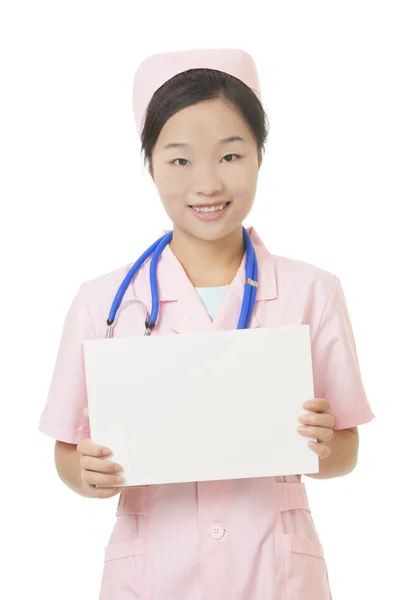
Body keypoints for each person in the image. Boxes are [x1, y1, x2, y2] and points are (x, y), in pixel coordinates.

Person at [38, 48, 375, 600]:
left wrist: (319, 446)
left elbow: (346, 450)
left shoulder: (313, 291)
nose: (208, 184)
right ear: (150, 164)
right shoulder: (102, 302)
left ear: (259, 158)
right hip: (153, 576)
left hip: (275, 573)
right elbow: (67, 450)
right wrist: (86, 477)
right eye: (179, 160)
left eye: (230, 156)